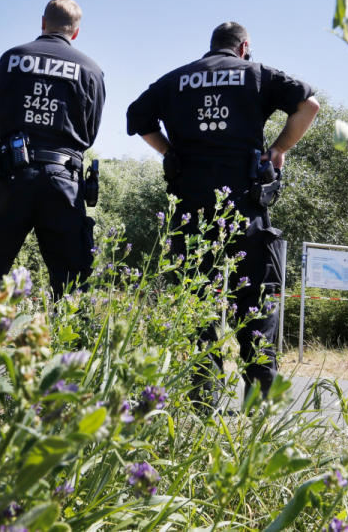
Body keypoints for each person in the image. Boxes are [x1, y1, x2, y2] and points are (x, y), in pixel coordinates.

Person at [126, 21, 319, 407]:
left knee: (198, 304)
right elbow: (309, 105)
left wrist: (171, 153)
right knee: (256, 301)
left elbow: (137, 119)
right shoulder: (257, 74)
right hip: (245, 207)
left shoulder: (176, 79)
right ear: (243, 47)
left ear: (211, 46)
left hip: (190, 209)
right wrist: (278, 149)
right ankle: (259, 406)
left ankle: (203, 404)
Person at [0, 0, 106, 337]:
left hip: (10, 174)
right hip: (63, 180)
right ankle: (71, 372)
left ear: (43, 22)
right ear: (76, 31)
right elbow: (89, 131)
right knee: (71, 282)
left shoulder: (12, 58)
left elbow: (2, 112)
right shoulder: (91, 69)